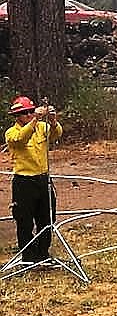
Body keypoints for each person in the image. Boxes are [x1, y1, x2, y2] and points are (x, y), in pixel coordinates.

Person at [5, 96, 62, 265]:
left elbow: (56, 134)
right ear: (17, 116)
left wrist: (52, 120)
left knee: (47, 219)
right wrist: (36, 119)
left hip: (43, 180)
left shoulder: (42, 127)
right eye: (25, 113)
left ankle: (42, 255)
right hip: (24, 182)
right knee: (24, 221)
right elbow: (22, 138)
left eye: (31, 111)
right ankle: (28, 259)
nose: (29, 114)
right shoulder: (11, 132)